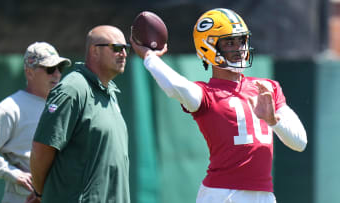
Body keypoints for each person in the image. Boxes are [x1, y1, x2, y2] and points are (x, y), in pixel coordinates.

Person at [130, 8, 307, 203]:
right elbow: (175, 86)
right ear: (208, 47)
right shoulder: (206, 94)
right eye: (229, 42)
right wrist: (150, 58)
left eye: (241, 41)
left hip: (264, 195)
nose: (239, 48)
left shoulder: (267, 88)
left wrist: (273, 121)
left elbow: (300, 142)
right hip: (223, 195)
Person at [29, 25, 131, 203]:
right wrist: (39, 193)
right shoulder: (72, 89)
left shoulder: (110, 93)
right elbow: (42, 149)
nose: (123, 53)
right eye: (116, 48)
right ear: (94, 51)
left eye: (126, 48)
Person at [0, 41, 71, 203]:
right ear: (30, 73)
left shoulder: (63, 105)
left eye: (60, 68)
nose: (57, 74)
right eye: (50, 69)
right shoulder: (10, 107)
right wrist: (11, 172)